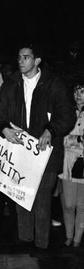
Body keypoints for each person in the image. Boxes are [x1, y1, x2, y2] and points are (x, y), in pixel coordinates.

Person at [0, 43, 75, 249]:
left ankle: (41, 246)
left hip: (45, 153)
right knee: (21, 197)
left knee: (42, 200)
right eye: (19, 57)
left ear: (37, 61)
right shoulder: (11, 84)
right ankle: (25, 242)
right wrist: (4, 128)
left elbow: (66, 113)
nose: (20, 61)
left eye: (26, 57)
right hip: (19, 152)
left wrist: (50, 130)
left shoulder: (53, 83)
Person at [59, 79, 84, 247]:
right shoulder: (67, 112)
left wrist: (72, 140)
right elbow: (61, 137)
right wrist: (79, 139)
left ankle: (77, 238)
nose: (78, 95)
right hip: (67, 163)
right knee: (68, 204)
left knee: (81, 205)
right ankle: (68, 234)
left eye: (82, 91)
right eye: (76, 92)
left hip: (82, 164)